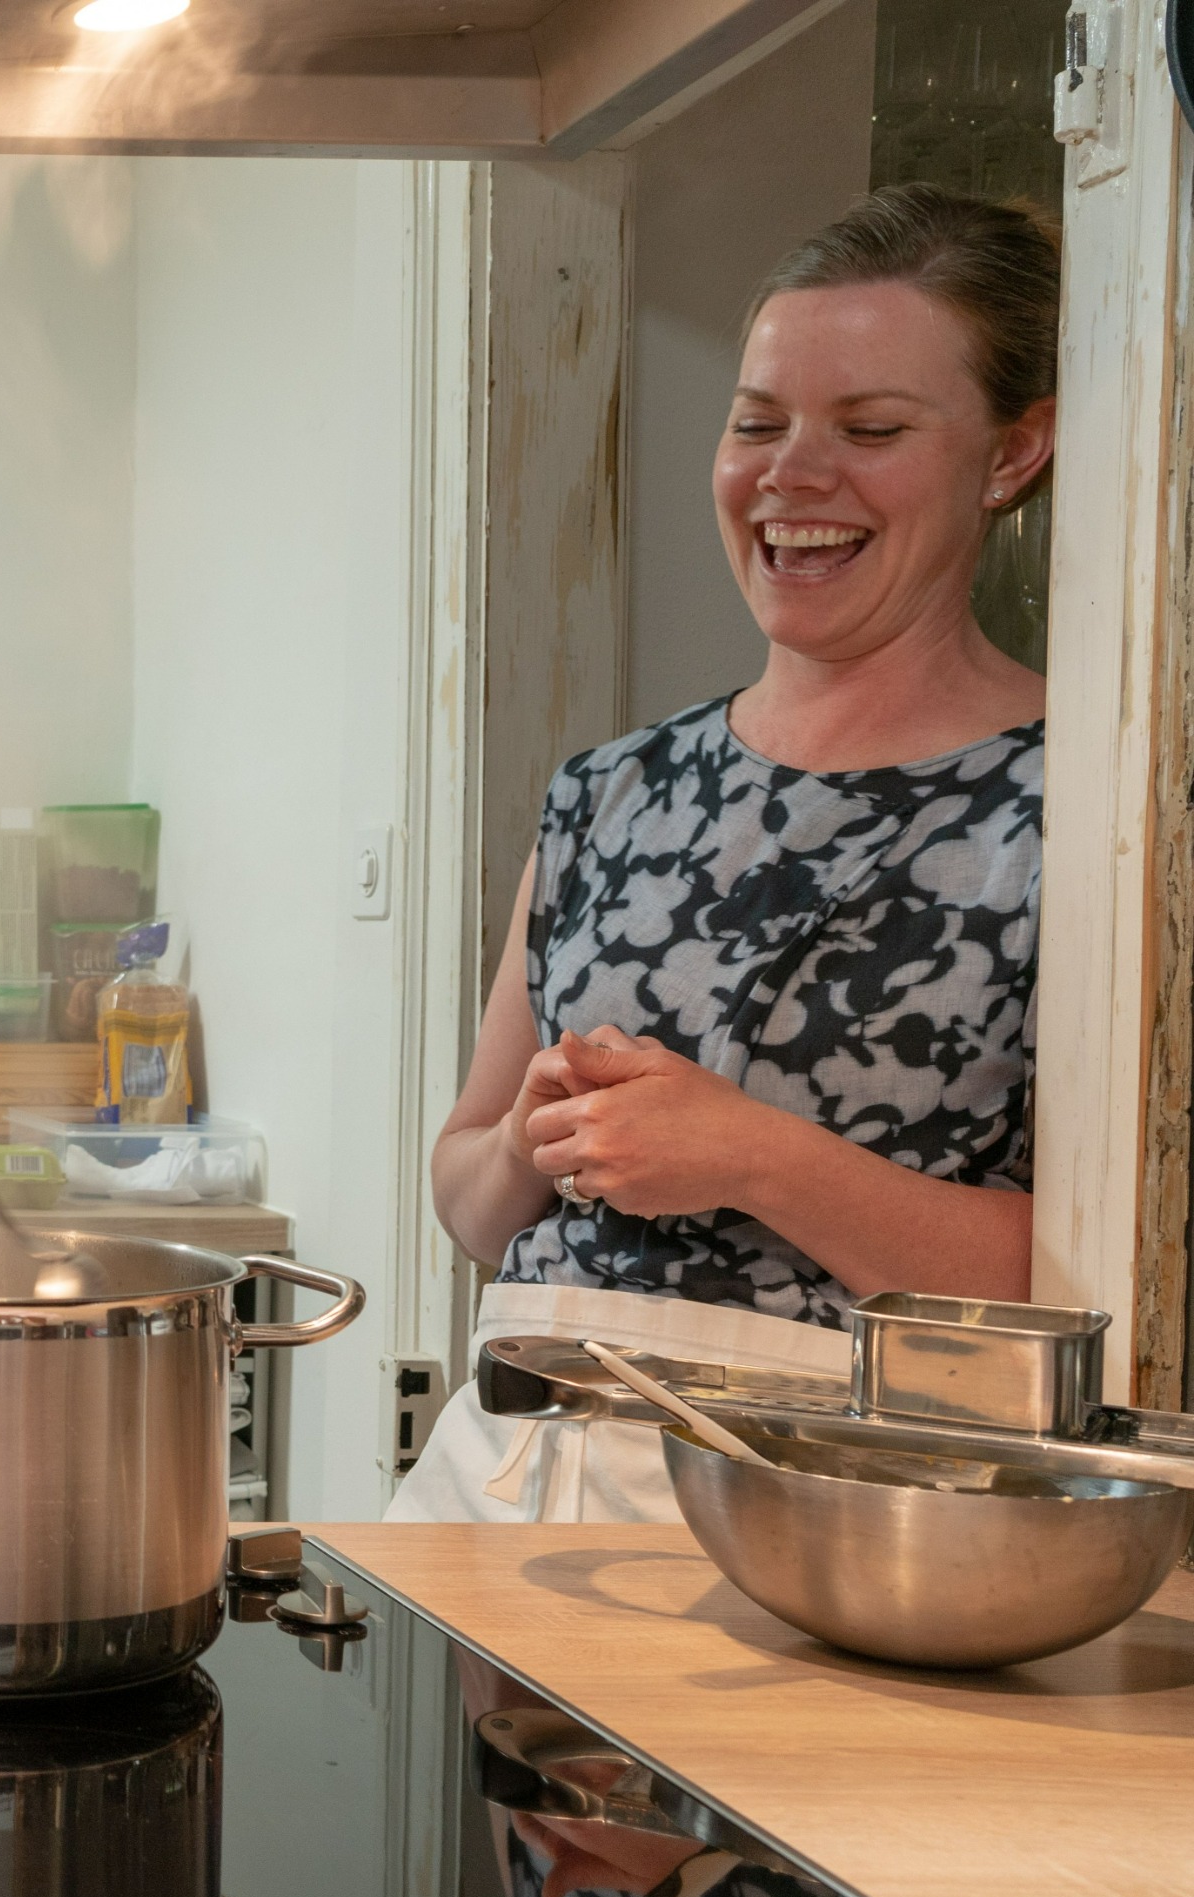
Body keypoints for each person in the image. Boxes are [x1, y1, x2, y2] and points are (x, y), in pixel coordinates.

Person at [389, 184, 1058, 1523]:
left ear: (1011, 454)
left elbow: (1097, 1294)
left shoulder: (1078, 814)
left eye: (870, 428)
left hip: (844, 1531)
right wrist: (532, 1136)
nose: (791, 476)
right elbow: (469, 1200)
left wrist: (756, 1157)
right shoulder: (610, 791)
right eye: (758, 424)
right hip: (496, 1492)